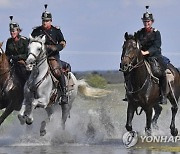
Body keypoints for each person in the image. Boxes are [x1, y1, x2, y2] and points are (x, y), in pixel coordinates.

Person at [31, 4, 70, 104]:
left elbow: (63, 42)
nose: (45, 22)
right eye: (43, 20)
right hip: (38, 58)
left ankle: (64, 94)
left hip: (52, 56)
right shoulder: (36, 31)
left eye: (47, 21)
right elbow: (31, 43)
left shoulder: (56, 31)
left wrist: (55, 47)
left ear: (51, 21)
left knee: (57, 72)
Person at [135, 6, 167, 104]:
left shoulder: (156, 33)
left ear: (152, 22)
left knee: (161, 73)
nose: (146, 23)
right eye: (145, 21)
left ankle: (163, 95)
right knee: (131, 72)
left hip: (154, 57)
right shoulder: (139, 33)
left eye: (148, 21)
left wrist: (146, 52)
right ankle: (130, 94)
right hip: (141, 58)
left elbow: (157, 46)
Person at [5, 16, 29, 85]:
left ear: (18, 31)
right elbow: (7, 54)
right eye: (11, 31)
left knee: (24, 75)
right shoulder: (9, 41)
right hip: (13, 64)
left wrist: (17, 57)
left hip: (24, 64)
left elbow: (27, 54)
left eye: (13, 31)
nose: (12, 33)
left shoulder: (24, 40)